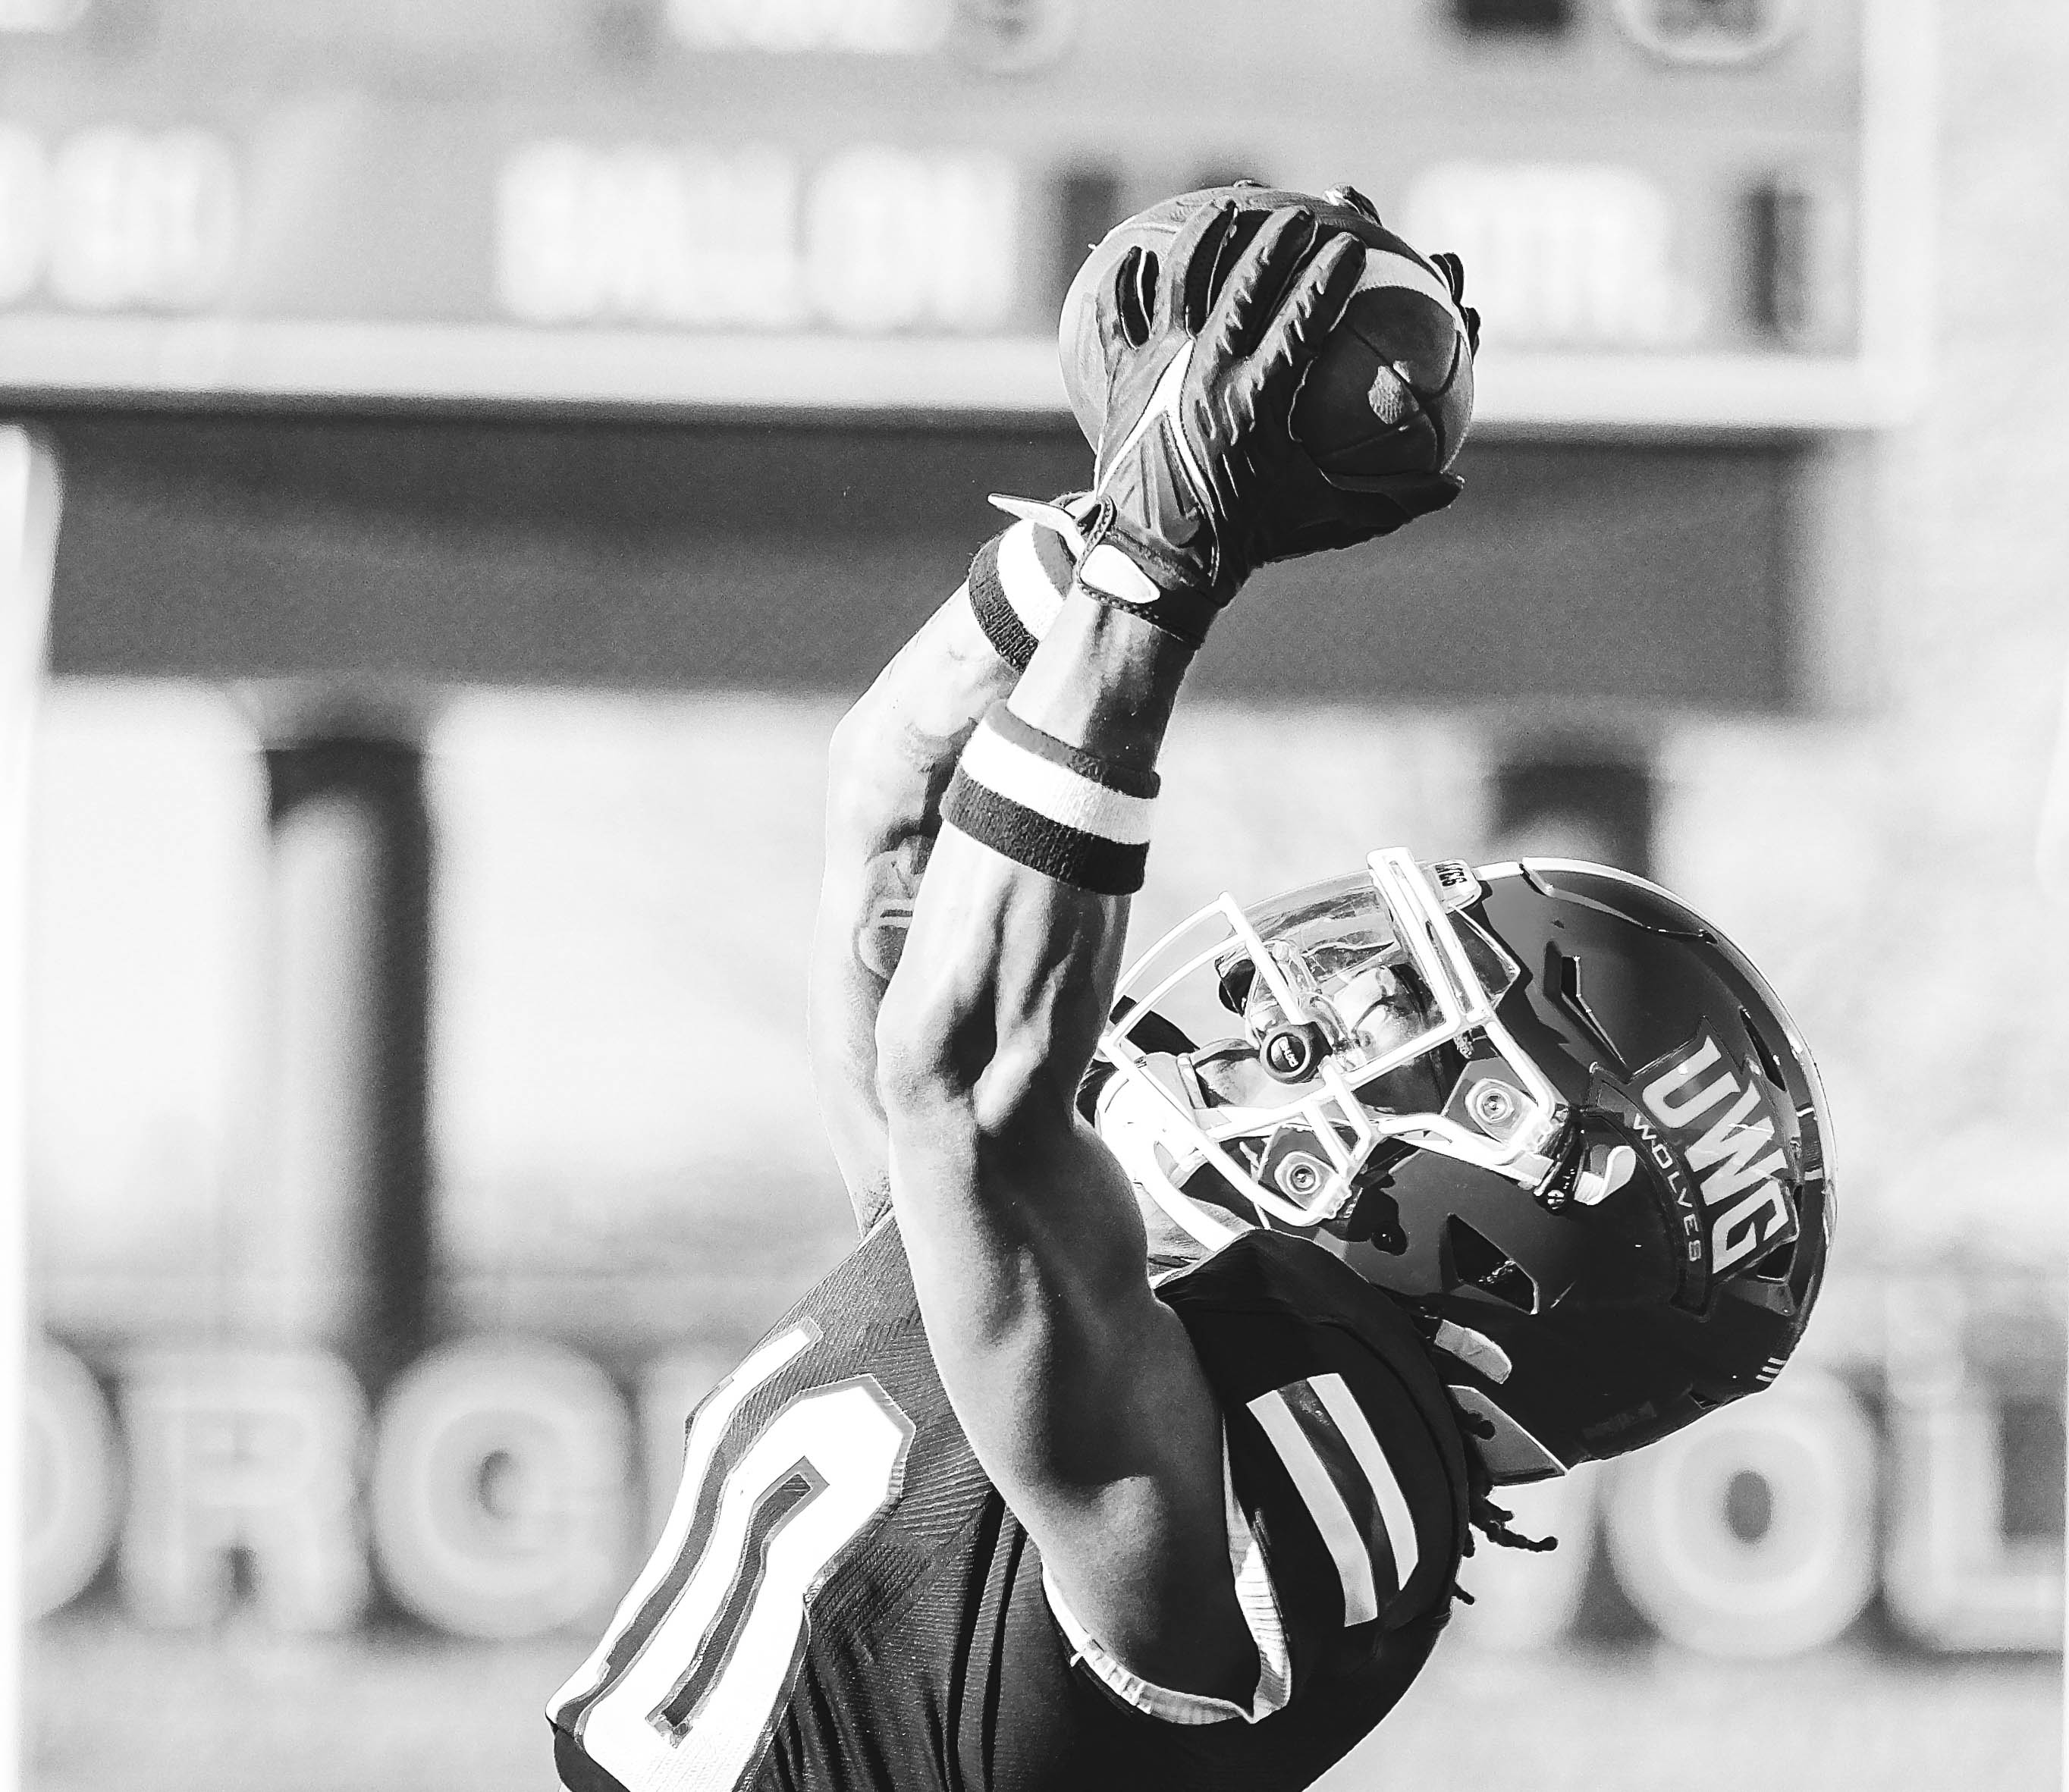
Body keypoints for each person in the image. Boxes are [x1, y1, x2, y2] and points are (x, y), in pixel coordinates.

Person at [544, 184, 1837, 1792]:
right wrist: (1077, 563)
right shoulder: (1084, 1295)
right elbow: (882, 799)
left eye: (1406, 1027)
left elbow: (964, 1095)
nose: (1321, 1006)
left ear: (1524, 1199)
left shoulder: (1334, 1466)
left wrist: (1160, 581)